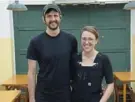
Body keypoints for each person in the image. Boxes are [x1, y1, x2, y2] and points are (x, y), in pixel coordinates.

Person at [27, 3, 77, 102]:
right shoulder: (35, 42)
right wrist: (32, 98)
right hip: (43, 95)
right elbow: (31, 73)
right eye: (49, 16)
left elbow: (74, 67)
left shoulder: (71, 40)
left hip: (65, 95)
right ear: (43, 19)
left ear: (60, 17)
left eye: (55, 15)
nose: (53, 19)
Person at [71, 26, 114, 102]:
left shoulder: (103, 59)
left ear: (96, 40)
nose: (86, 42)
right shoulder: (74, 58)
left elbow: (110, 84)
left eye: (90, 39)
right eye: (84, 39)